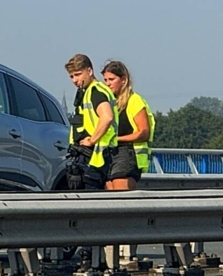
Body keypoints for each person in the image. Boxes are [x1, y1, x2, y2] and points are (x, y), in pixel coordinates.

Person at [64, 54, 117, 190]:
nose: (75, 80)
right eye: (71, 77)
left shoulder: (95, 91)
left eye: (78, 74)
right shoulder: (87, 92)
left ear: (89, 71)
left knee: (88, 201)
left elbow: (107, 117)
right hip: (89, 156)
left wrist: (92, 140)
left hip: (94, 157)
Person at [102, 60, 155, 191]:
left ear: (123, 80)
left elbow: (144, 133)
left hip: (128, 153)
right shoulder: (109, 103)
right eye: (105, 80)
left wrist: (117, 139)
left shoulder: (134, 100)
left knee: (121, 194)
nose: (107, 84)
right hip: (109, 154)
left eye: (111, 79)